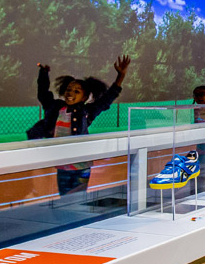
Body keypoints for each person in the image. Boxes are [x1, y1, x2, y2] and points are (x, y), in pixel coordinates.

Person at [30, 56, 130, 195]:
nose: (70, 93)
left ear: (84, 97)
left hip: (81, 167)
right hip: (63, 167)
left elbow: (106, 99)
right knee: (65, 198)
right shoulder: (55, 108)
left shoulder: (86, 112)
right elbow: (43, 94)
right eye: (69, 89)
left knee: (78, 198)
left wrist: (121, 76)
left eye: (77, 91)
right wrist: (44, 74)